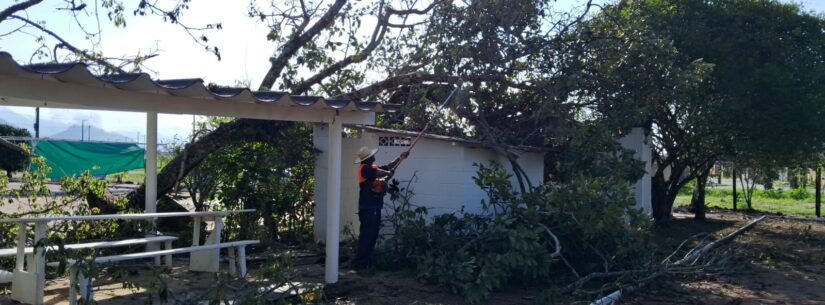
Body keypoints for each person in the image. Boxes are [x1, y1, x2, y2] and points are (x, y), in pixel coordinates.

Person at [351, 146, 409, 270]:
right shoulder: (365, 169)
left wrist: (400, 157)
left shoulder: (372, 167)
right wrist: (389, 173)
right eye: (371, 155)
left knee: (372, 235)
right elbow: (382, 173)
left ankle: (364, 262)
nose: (373, 156)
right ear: (368, 158)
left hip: (374, 206)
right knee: (367, 235)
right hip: (368, 208)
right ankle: (360, 264)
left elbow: (388, 166)